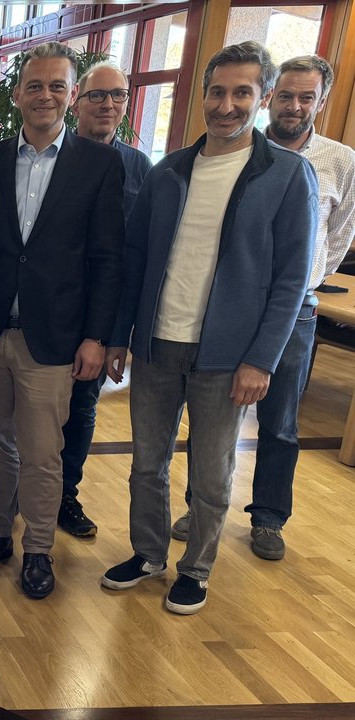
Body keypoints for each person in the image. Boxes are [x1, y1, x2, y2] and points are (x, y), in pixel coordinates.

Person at [102, 42, 316, 615]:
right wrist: (124, 335)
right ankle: (148, 554)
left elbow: (292, 279)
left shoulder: (288, 176)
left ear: (262, 98)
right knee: (147, 462)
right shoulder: (169, 170)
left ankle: (195, 568)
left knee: (213, 472)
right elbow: (136, 257)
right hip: (157, 344)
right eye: (217, 92)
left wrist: (261, 360)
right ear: (202, 96)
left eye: (242, 92)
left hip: (228, 355)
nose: (227, 105)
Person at [0, 42, 124, 601]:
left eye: (57, 85)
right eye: (35, 85)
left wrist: (97, 336)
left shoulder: (101, 166)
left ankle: (39, 549)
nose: (45, 95)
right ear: (19, 93)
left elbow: (106, 258)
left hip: (53, 340)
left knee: (42, 451)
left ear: (71, 95)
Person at [234, 54, 355, 560]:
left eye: (306, 97)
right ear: (269, 96)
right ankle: (200, 504)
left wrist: (306, 279)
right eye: (286, 95)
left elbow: (341, 232)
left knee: (281, 421)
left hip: (296, 313)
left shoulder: (340, 161)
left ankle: (268, 518)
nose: (294, 105)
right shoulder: (241, 150)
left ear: (321, 102)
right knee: (213, 414)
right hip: (233, 304)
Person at [56, 62, 155, 538]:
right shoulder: (53, 156)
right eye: (98, 96)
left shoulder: (140, 168)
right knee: (28, 411)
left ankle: (64, 495)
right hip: (48, 312)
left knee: (81, 410)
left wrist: (117, 335)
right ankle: (22, 489)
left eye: (117, 96)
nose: (108, 105)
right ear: (77, 100)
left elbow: (134, 258)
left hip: (100, 320)